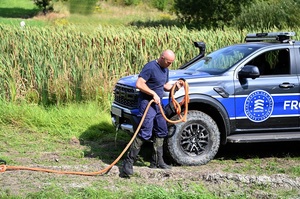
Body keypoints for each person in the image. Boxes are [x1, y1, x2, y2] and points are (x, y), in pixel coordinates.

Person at [120, 49, 182, 177]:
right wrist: (153, 93)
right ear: (162, 58)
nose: (170, 65)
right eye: (169, 62)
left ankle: (157, 161)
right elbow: (139, 83)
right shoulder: (150, 67)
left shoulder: (165, 69)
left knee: (162, 130)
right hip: (147, 103)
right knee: (145, 132)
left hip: (158, 104)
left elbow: (165, 85)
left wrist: (176, 86)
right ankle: (128, 162)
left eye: (171, 63)